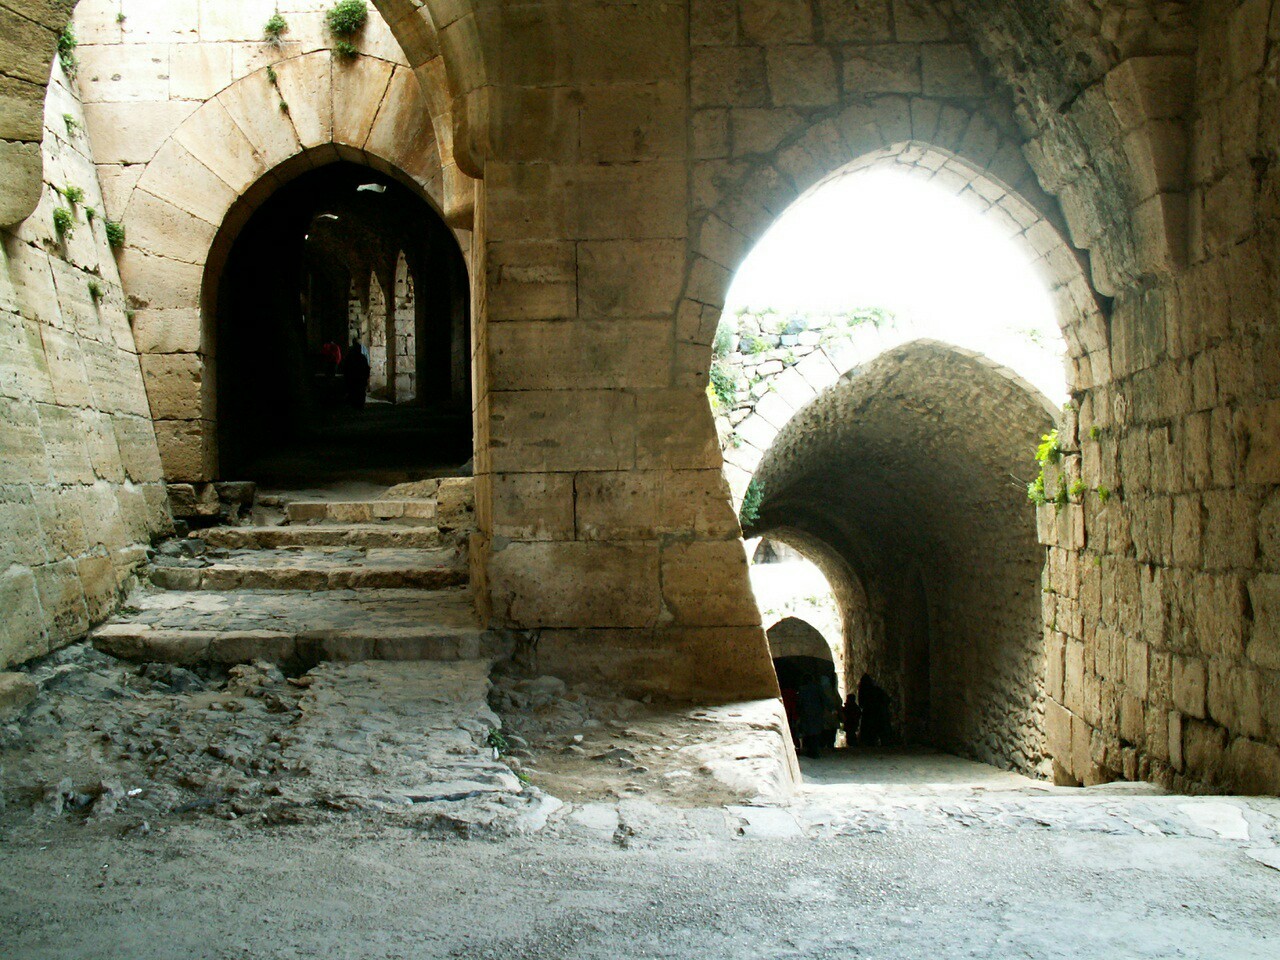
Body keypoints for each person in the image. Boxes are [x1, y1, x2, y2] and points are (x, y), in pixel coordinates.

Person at [858, 673, 891, 747]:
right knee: (882, 731)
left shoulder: (863, 691)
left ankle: (870, 745)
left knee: (870, 733)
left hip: (869, 714)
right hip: (880, 714)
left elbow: (861, 703)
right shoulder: (877, 690)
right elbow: (887, 700)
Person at [797, 679, 826, 759]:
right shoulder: (818, 688)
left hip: (806, 714)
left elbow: (799, 702)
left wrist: (799, 713)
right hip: (817, 713)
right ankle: (815, 751)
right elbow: (824, 699)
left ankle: (810, 751)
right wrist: (831, 709)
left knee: (808, 733)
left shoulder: (802, 689)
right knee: (816, 734)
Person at [340, 338, 371, 409]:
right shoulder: (362, 357)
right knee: (360, 392)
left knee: (355, 391)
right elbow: (367, 367)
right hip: (360, 378)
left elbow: (346, 367)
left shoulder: (349, 357)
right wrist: (366, 376)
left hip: (354, 378)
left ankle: (356, 405)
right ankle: (360, 405)